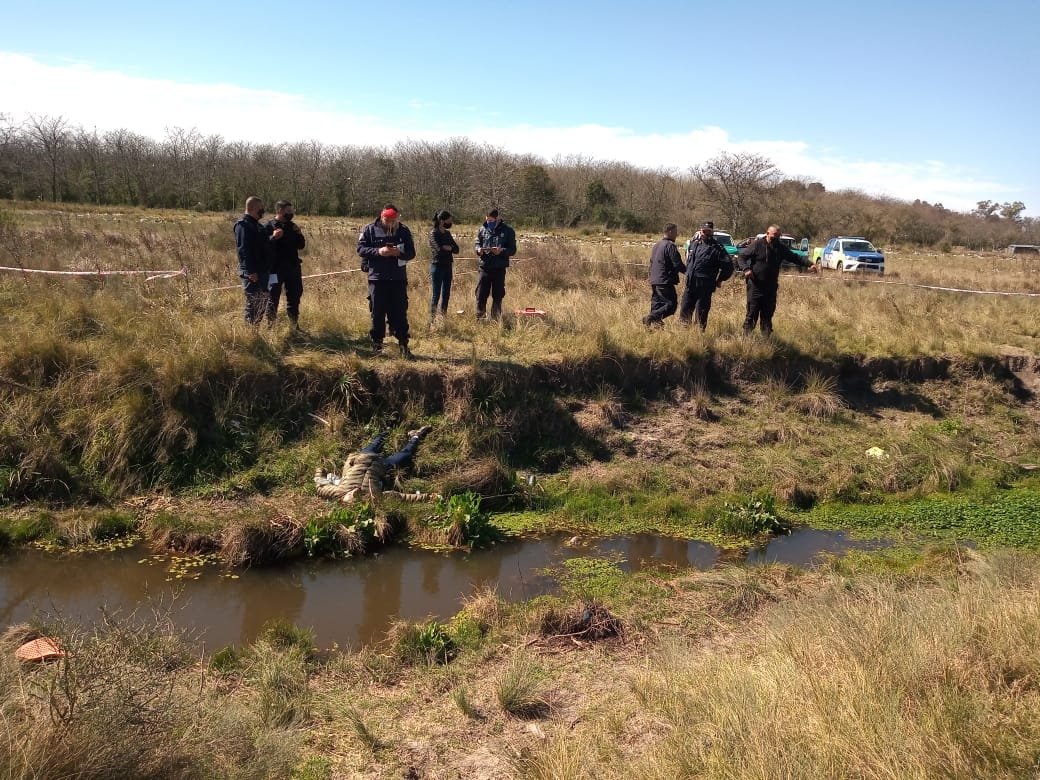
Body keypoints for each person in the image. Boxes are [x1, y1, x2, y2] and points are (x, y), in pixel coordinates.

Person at [313, 426, 438, 503]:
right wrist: (429, 497)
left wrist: (320, 471)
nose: (355, 492)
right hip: (381, 465)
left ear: (342, 500)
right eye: (358, 496)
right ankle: (415, 436)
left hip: (360, 459)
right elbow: (401, 497)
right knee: (405, 455)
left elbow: (319, 486)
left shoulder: (336, 492)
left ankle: (388, 428)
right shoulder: (373, 497)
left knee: (377, 442)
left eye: (351, 495)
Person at [357, 204, 417, 357]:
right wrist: (378, 251)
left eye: (393, 220)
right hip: (377, 278)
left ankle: (403, 344)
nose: (390, 223)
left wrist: (399, 253)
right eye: (387, 220)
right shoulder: (369, 230)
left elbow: (411, 253)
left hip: (397, 278)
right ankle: (377, 345)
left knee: (399, 312)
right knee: (377, 312)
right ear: (381, 216)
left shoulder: (403, 230)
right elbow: (361, 249)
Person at [737, 223, 817, 335]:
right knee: (752, 314)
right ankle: (746, 341)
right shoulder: (757, 245)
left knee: (767, 315)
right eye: (774, 235)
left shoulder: (780, 247)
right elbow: (741, 257)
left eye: (779, 236)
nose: (776, 238)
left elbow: (794, 257)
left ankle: (766, 342)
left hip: (770, 288)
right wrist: (746, 269)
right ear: (767, 233)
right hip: (755, 286)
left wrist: (809, 264)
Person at [679, 221, 734, 330]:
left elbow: (728, 267)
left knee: (701, 313)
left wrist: (720, 279)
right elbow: (689, 262)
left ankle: (699, 336)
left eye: (709, 232)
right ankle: (684, 334)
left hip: (705, 286)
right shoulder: (694, 244)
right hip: (690, 284)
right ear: (700, 231)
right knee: (685, 310)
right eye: (704, 231)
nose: (706, 234)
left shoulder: (717, 248)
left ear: (712, 232)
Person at [233, 195, 274, 326]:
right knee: (254, 303)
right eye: (261, 208)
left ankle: (255, 330)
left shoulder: (258, 226)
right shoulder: (243, 226)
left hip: (262, 271)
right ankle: (250, 333)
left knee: (261, 302)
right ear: (253, 208)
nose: (263, 210)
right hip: (253, 273)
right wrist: (250, 271)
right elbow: (243, 250)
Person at [265, 200, 306, 329]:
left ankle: (294, 325)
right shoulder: (269, 226)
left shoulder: (292, 226)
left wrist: (299, 233)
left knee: (295, 295)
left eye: (291, 211)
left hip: (292, 267)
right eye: (289, 211)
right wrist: (273, 237)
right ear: (280, 211)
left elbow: (301, 245)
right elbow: (262, 247)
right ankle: (271, 325)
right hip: (275, 269)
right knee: (273, 297)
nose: (291, 213)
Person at [473, 208, 517, 320]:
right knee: (481, 294)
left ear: (497, 218)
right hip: (484, 267)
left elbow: (512, 250)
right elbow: (477, 243)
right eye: (487, 220)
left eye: (491, 221)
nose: (489, 223)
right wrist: (478, 249)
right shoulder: (482, 229)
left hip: (499, 268)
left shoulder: (508, 231)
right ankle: (480, 318)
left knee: (498, 295)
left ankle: (496, 319)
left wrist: (501, 251)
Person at [642, 223, 686, 327]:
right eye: (675, 232)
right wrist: (689, 272)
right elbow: (677, 264)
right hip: (665, 280)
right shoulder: (670, 246)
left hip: (654, 279)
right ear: (670, 232)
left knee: (657, 304)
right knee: (671, 305)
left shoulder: (657, 245)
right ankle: (651, 318)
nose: (676, 234)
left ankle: (653, 326)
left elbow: (652, 261)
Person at [428, 210, 459, 321]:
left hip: (448, 266)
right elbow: (438, 249)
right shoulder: (433, 233)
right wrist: (447, 247)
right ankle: (432, 320)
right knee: (436, 294)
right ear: (442, 221)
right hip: (437, 267)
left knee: (446, 293)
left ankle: (443, 317)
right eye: (449, 220)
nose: (450, 222)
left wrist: (448, 247)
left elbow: (456, 249)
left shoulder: (447, 233)